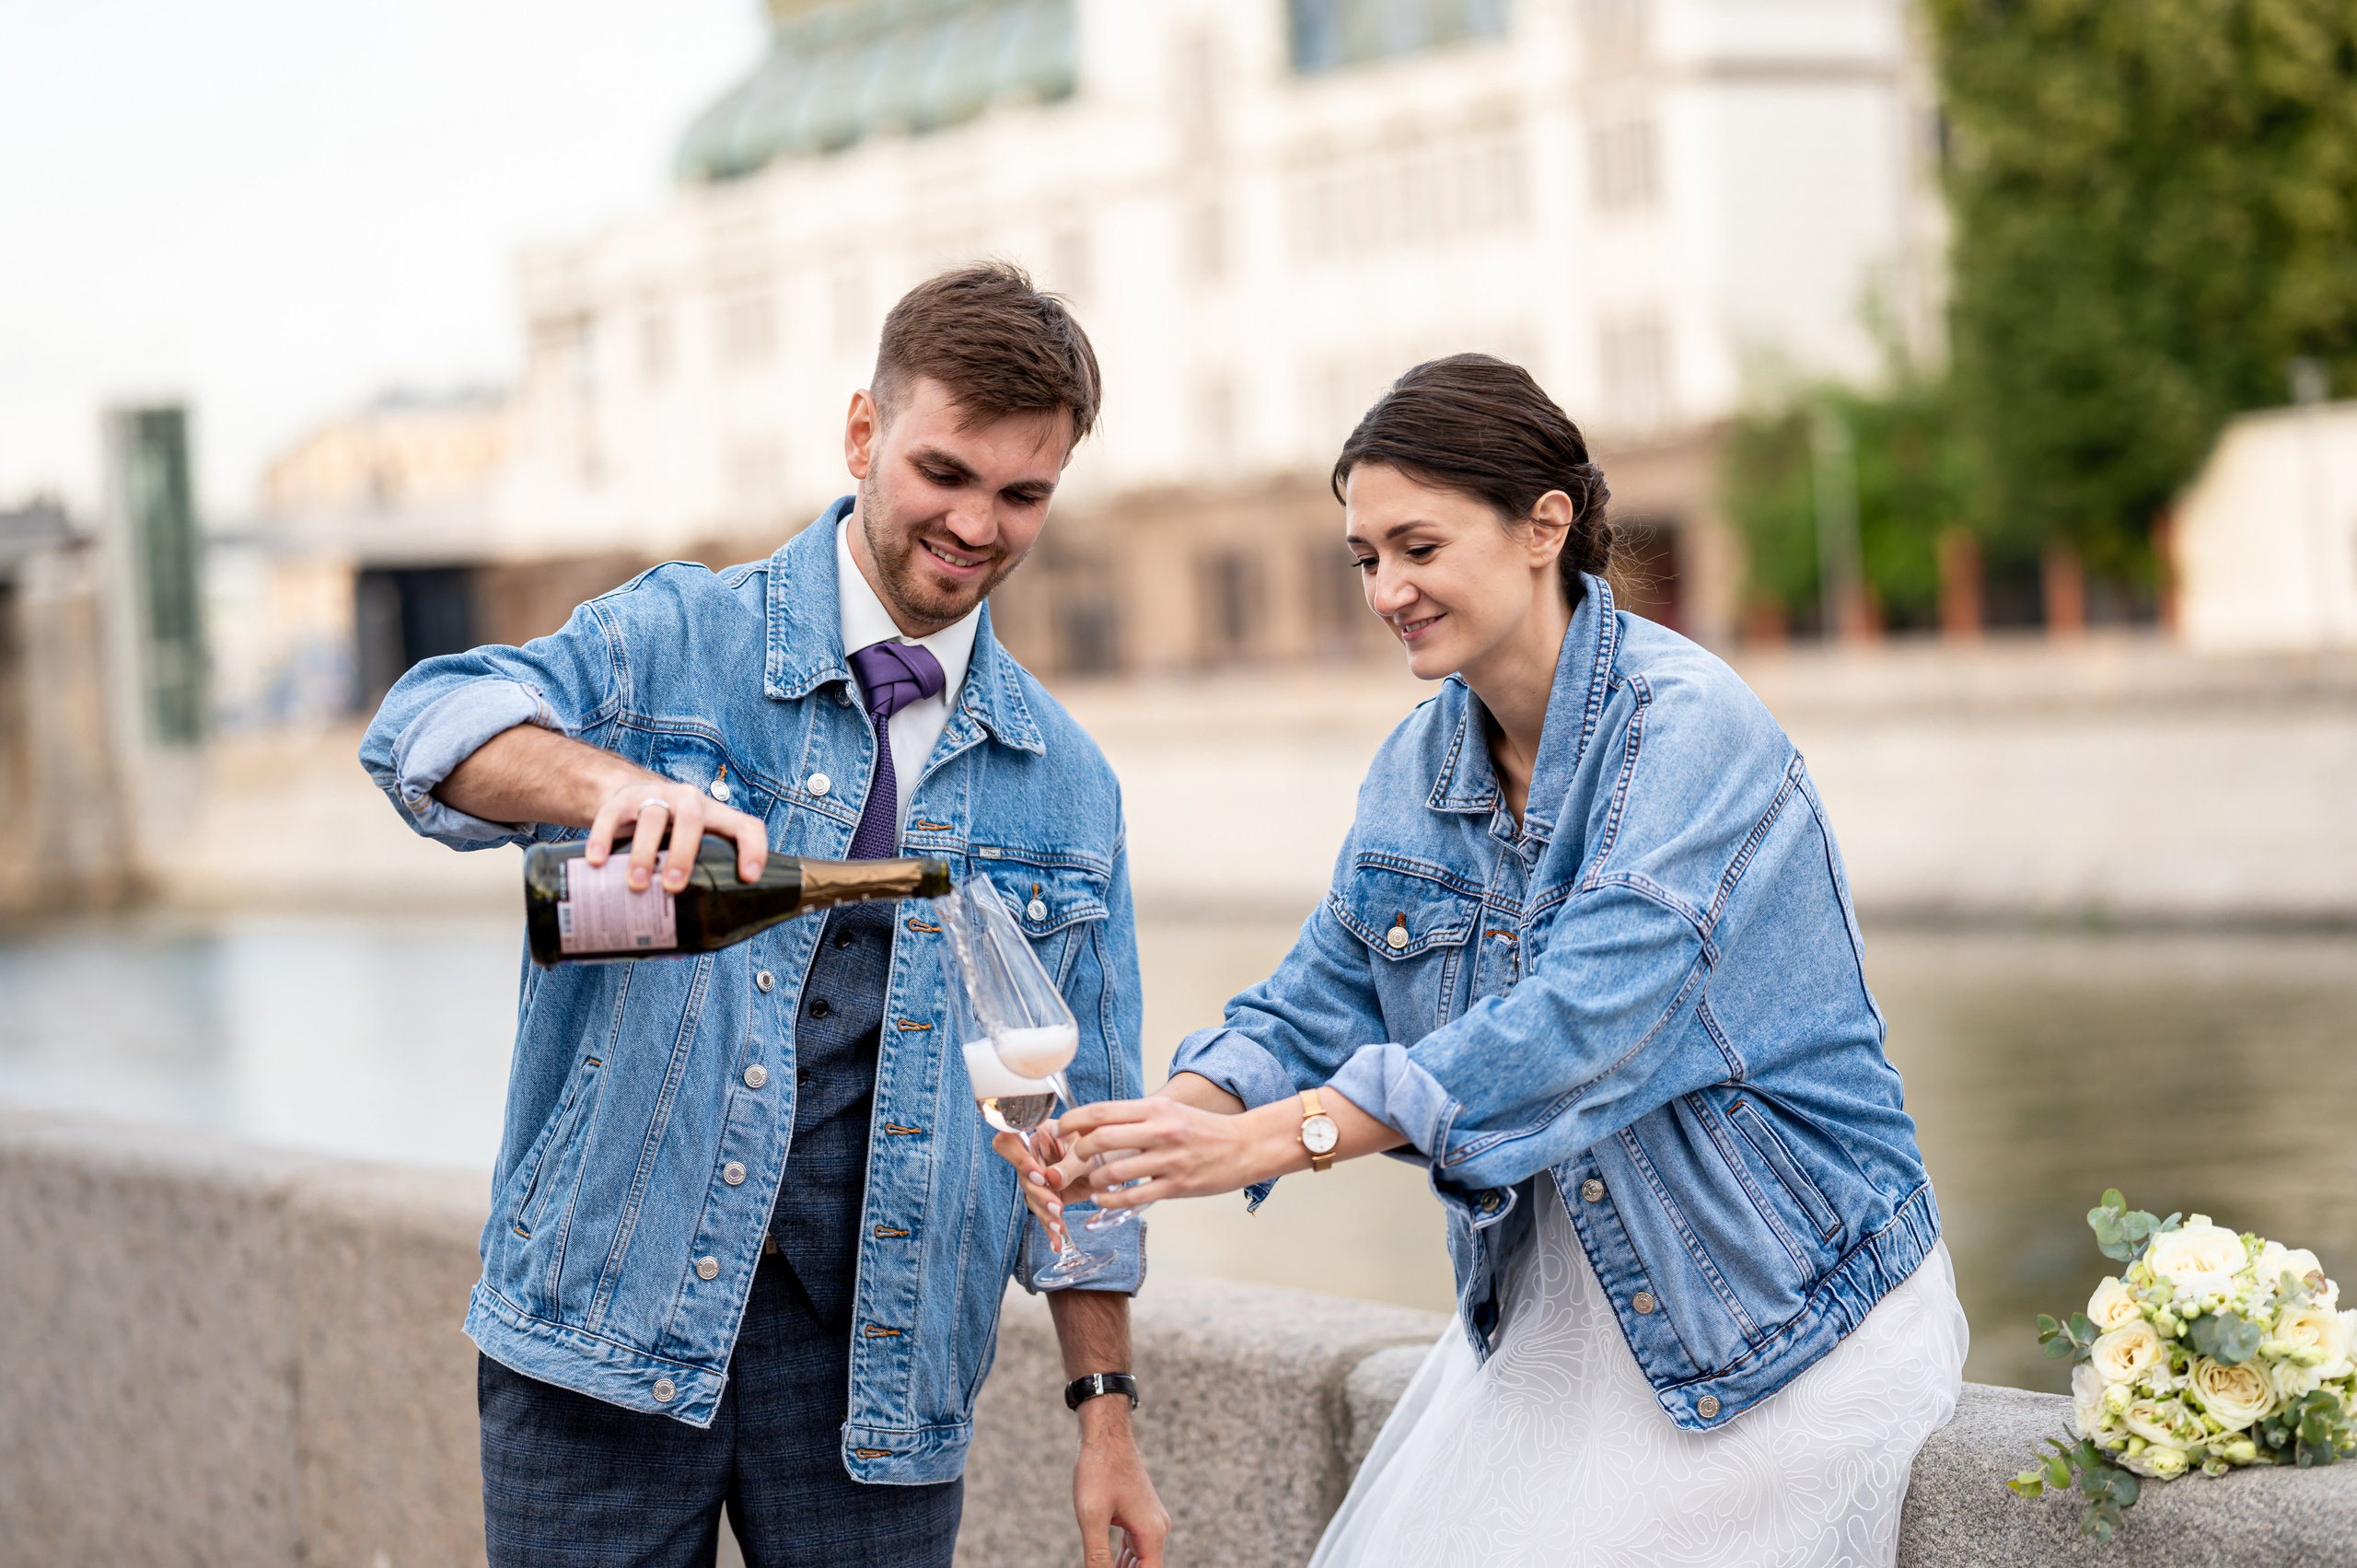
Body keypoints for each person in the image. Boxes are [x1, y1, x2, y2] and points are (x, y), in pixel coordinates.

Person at [1005, 354, 1968, 1567]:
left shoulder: (1691, 730)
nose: (1387, 590)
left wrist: (1276, 1138)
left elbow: (1582, 1026)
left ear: (1542, 527)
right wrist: (1169, 1122)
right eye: (1364, 559)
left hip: (1780, 1307)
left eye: (1418, 546)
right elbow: (1319, 997)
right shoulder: (1420, 767)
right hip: (1560, 1307)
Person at [360, 263, 1168, 1568]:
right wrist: (610, 783)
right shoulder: (677, 635)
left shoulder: (1070, 788)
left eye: (1024, 495)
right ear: (862, 433)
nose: (979, 525)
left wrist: (1105, 1422)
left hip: (881, 1381)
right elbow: (421, 729)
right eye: (945, 473)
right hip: (601, 1334)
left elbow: (1083, 1147)